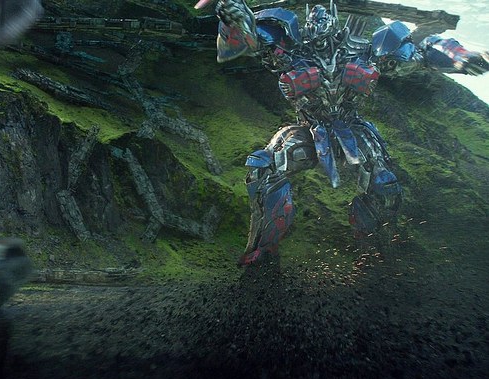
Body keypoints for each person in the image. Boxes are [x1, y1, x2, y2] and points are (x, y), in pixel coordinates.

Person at [194, 0, 489, 266]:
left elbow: (419, 52)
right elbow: (247, 41)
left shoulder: (363, 50)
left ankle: (376, 256)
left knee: (385, 186)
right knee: (264, 168)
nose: (319, 21)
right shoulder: (289, 51)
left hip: (353, 127)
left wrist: (459, 56)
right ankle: (261, 252)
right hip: (309, 130)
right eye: (313, 18)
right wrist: (236, 16)